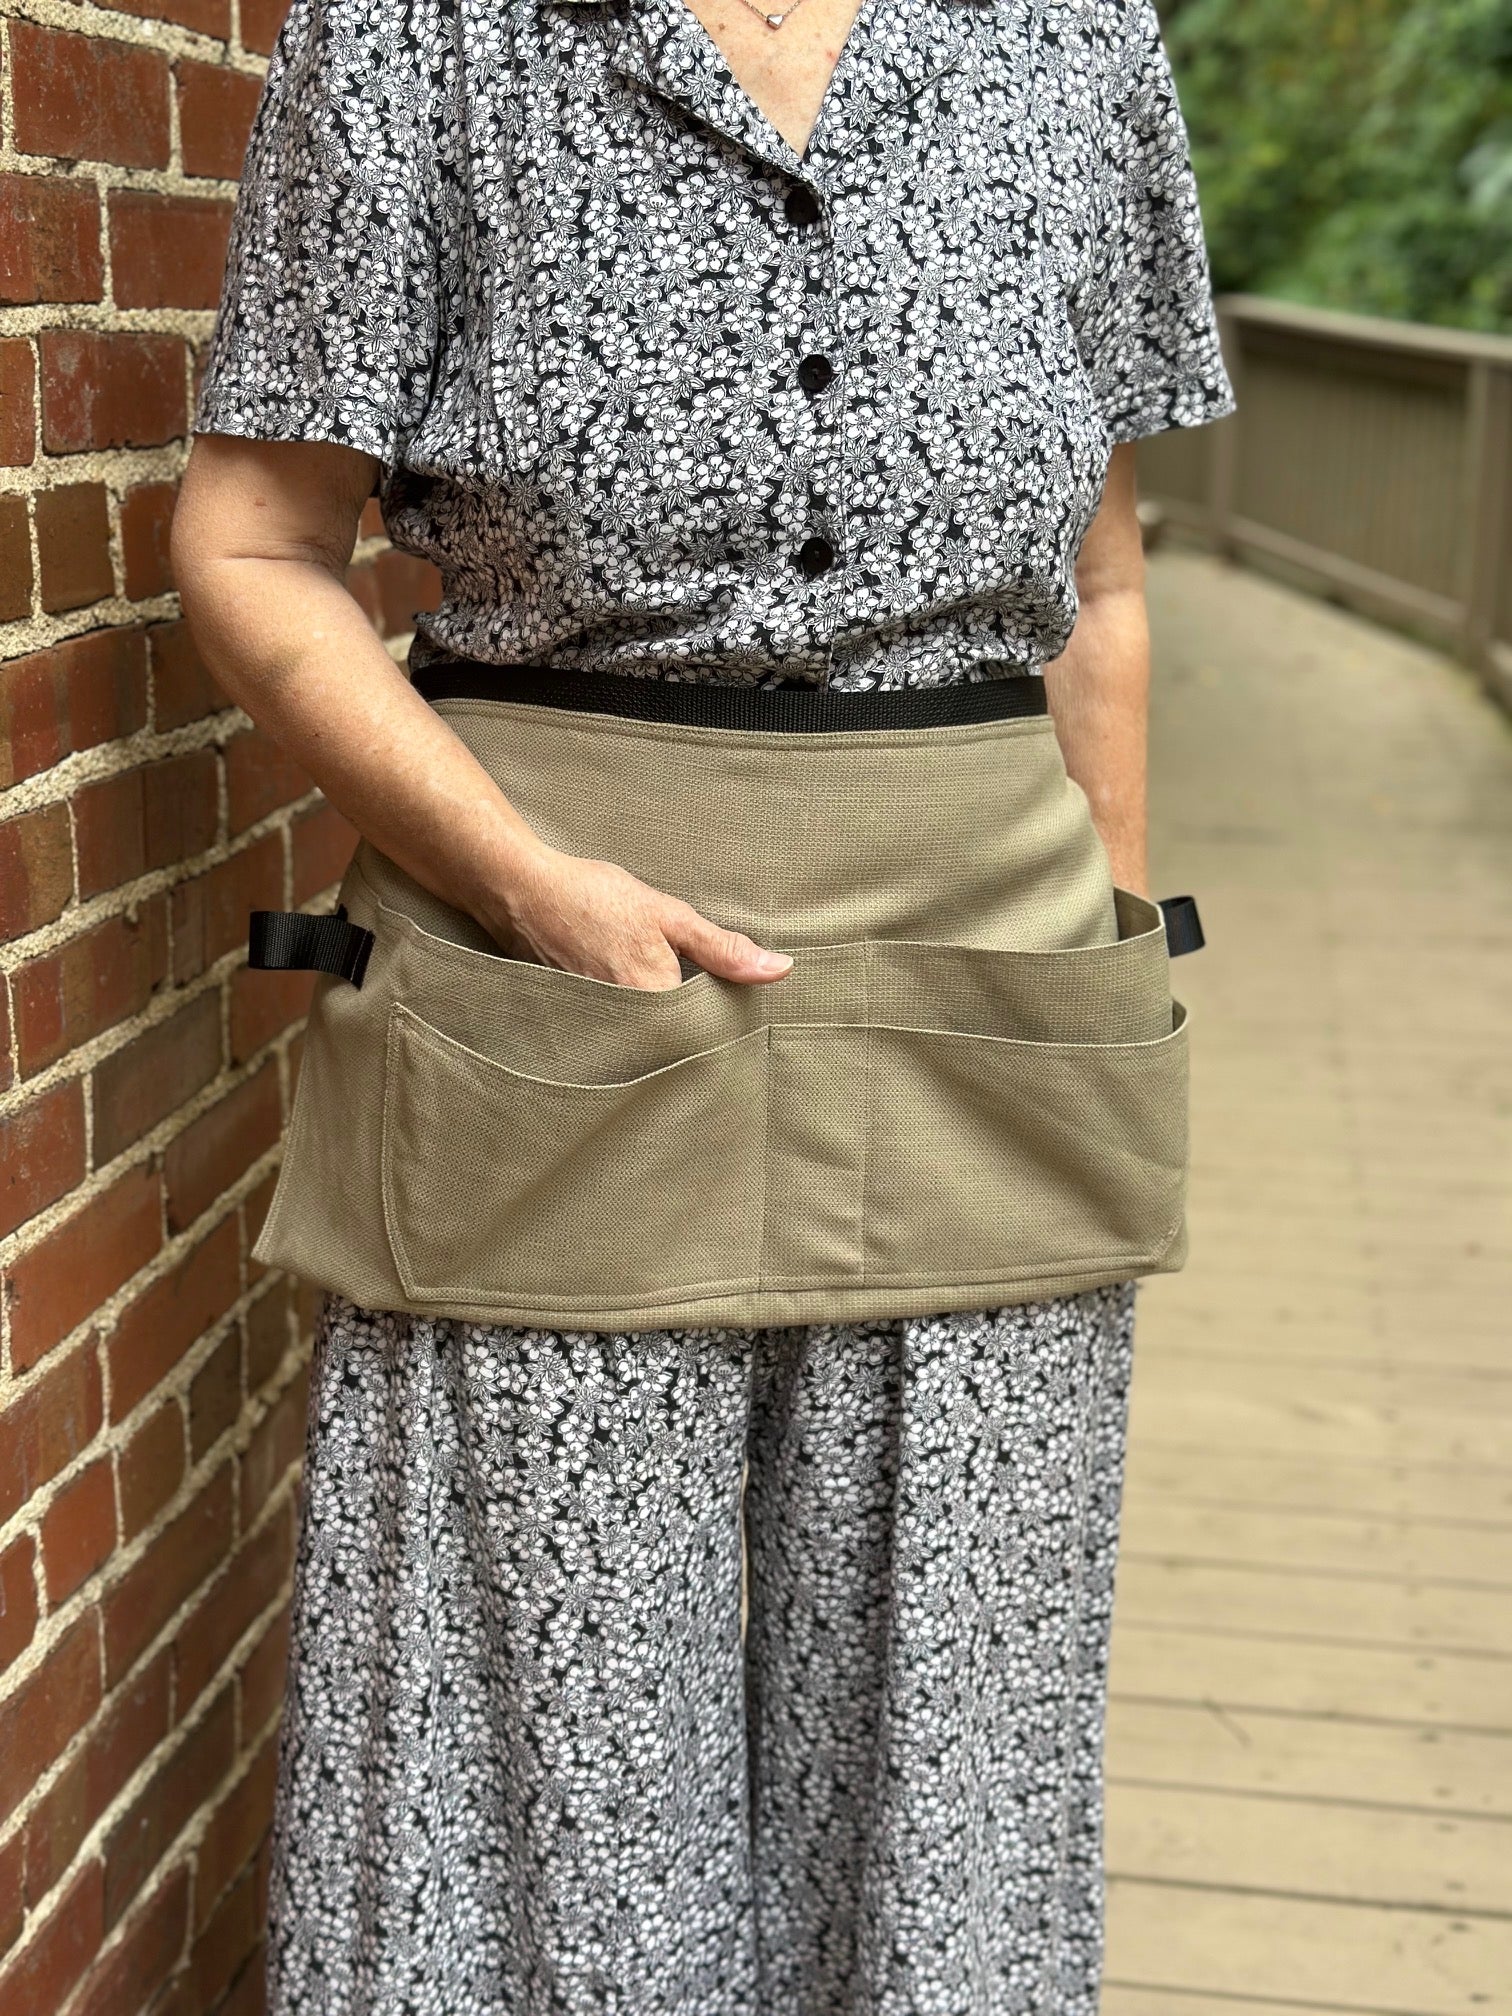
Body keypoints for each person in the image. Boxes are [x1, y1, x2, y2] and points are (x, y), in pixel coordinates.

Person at [172, 0, 1234, 2006]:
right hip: (541, 999)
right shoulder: (425, 34)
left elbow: (1104, 577)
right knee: (531, 1773)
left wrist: (1090, 936)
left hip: (988, 1010)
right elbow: (250, 543)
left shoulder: (1073, 34)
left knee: (958, 1780)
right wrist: (521, 882)